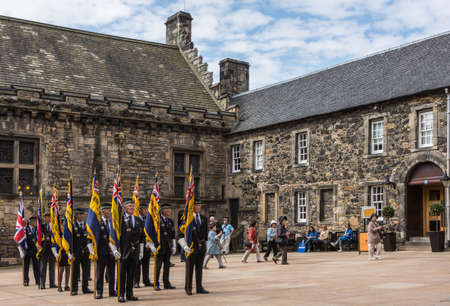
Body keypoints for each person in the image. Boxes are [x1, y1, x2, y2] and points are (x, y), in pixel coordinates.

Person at [109, 199, 144, 303]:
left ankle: (129, 294)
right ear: (124, 207)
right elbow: (114, 235)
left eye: (133, 206)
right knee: (121, 274)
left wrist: (141, 249)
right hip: (123, 251)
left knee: (131, 274)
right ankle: (121, 294)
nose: (132, 208)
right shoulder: (119, 220)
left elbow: (141, 236)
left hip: (135, 251)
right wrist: (114, 249)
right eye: (129, 206)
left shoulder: (138, 220)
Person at [178, 203, 209, 295]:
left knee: (199, 268)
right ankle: (188, 287)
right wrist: (184, 246)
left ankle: (199, 287)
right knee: (189, 268)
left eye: (199, 205)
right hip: (191, 247)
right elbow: (180, 234)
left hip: (201, 247)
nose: (198, 207)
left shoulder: (203, 218)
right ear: (192, 206)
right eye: (196, 205)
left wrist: (205, 244)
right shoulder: (187, 219)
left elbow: (205, 233)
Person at [94, 203, 116, 299]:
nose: (110, 212)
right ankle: (99, 291)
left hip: (112, 252)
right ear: (103, 211)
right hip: (101, 252)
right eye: (108, 210)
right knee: (100, 273)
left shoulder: (113, 222)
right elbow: (94, 239)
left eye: (110, 210)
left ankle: (112, 291)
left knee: (112, 273)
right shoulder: (98, 223)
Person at [153, 203, 176, 291]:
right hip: (160, 246)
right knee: (158, 266)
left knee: (167, 266)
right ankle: (156, 283)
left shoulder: (170, 221)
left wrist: (173, 245)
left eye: (169, 210)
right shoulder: (157, 221)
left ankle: (166, 283)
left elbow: (173, 234)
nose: (169, 211)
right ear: (162, 211)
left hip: (168, 247)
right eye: (167, 210)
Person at [71, 208, 92, 295]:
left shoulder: (87, 225)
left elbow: (90, 238)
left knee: (86, 271)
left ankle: (85, 288)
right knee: (75, 271)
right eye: (80, 214)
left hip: (86, 251)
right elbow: (70, 240)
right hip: (76, 252)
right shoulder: (72, 226)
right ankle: (74, 289)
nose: (82, 216)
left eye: (83, 214)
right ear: (76, 215)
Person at [135, 206, 152, 288]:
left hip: (147, 244)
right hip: (138, 244)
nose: (146, 211)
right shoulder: (136, 219)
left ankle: (146, 280)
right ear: (140, 210)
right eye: (145, 209)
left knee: (146, 264)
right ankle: (136, 282)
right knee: (137, 265)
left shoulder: (148, 219)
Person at [39, 210, 56, 289]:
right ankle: (42, 283)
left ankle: (52, 283)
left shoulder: (54, 226)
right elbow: (38, 237)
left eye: (49, 217)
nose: (48, 218)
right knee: (43, 267)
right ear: (44, 218)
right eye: (46, 217)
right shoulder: (41, 226)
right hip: (44, 248)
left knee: (52, 267)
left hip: (52, 248)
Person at [23, 215, 39, 287]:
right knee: (26, 266)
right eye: (35, 221)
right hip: (27, 250)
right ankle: (26, 280)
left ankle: (37, 280)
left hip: (35, 250)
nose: (36, 223)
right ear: (31, 222)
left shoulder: (37, 229)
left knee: (36, 266)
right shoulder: (25, 229)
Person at [57, 217, 70, 292]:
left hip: (67, 251)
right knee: (61, 269)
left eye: (64, 222)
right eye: (62, 222)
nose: (63, 223)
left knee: (68, 268)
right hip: (61, 251)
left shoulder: (68, 230)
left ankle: (66, 285)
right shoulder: (59, 231)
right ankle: (59, 285)